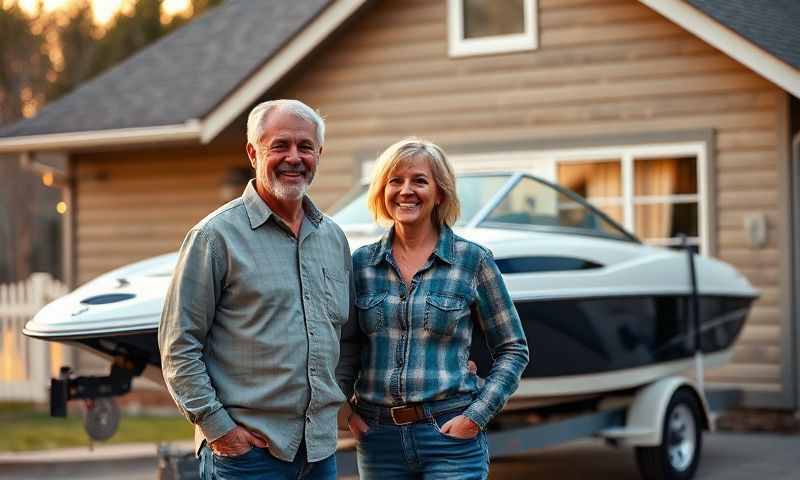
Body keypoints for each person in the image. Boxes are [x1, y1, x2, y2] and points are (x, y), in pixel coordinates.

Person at [159, 99, 352, 480]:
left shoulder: (333, 238)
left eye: (305, 147)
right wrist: (220, 430)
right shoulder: (214, 237)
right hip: (246, 459)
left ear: (319, 154)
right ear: (253, 152)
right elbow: (178, 345)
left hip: (319, 453)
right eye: (280, 145)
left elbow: (347, 336)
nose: (294, 157)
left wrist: (338, 401)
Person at [336, 138, 530, 479]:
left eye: (419, 181)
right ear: (383, 191)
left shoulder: (472, 261)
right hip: (379, 440)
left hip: (450, 435)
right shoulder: (362, 264)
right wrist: (342, 407)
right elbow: (348, 345)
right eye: (395, 181)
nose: (405, 191)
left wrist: (477, 415)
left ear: (439, 193)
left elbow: (513, 349)